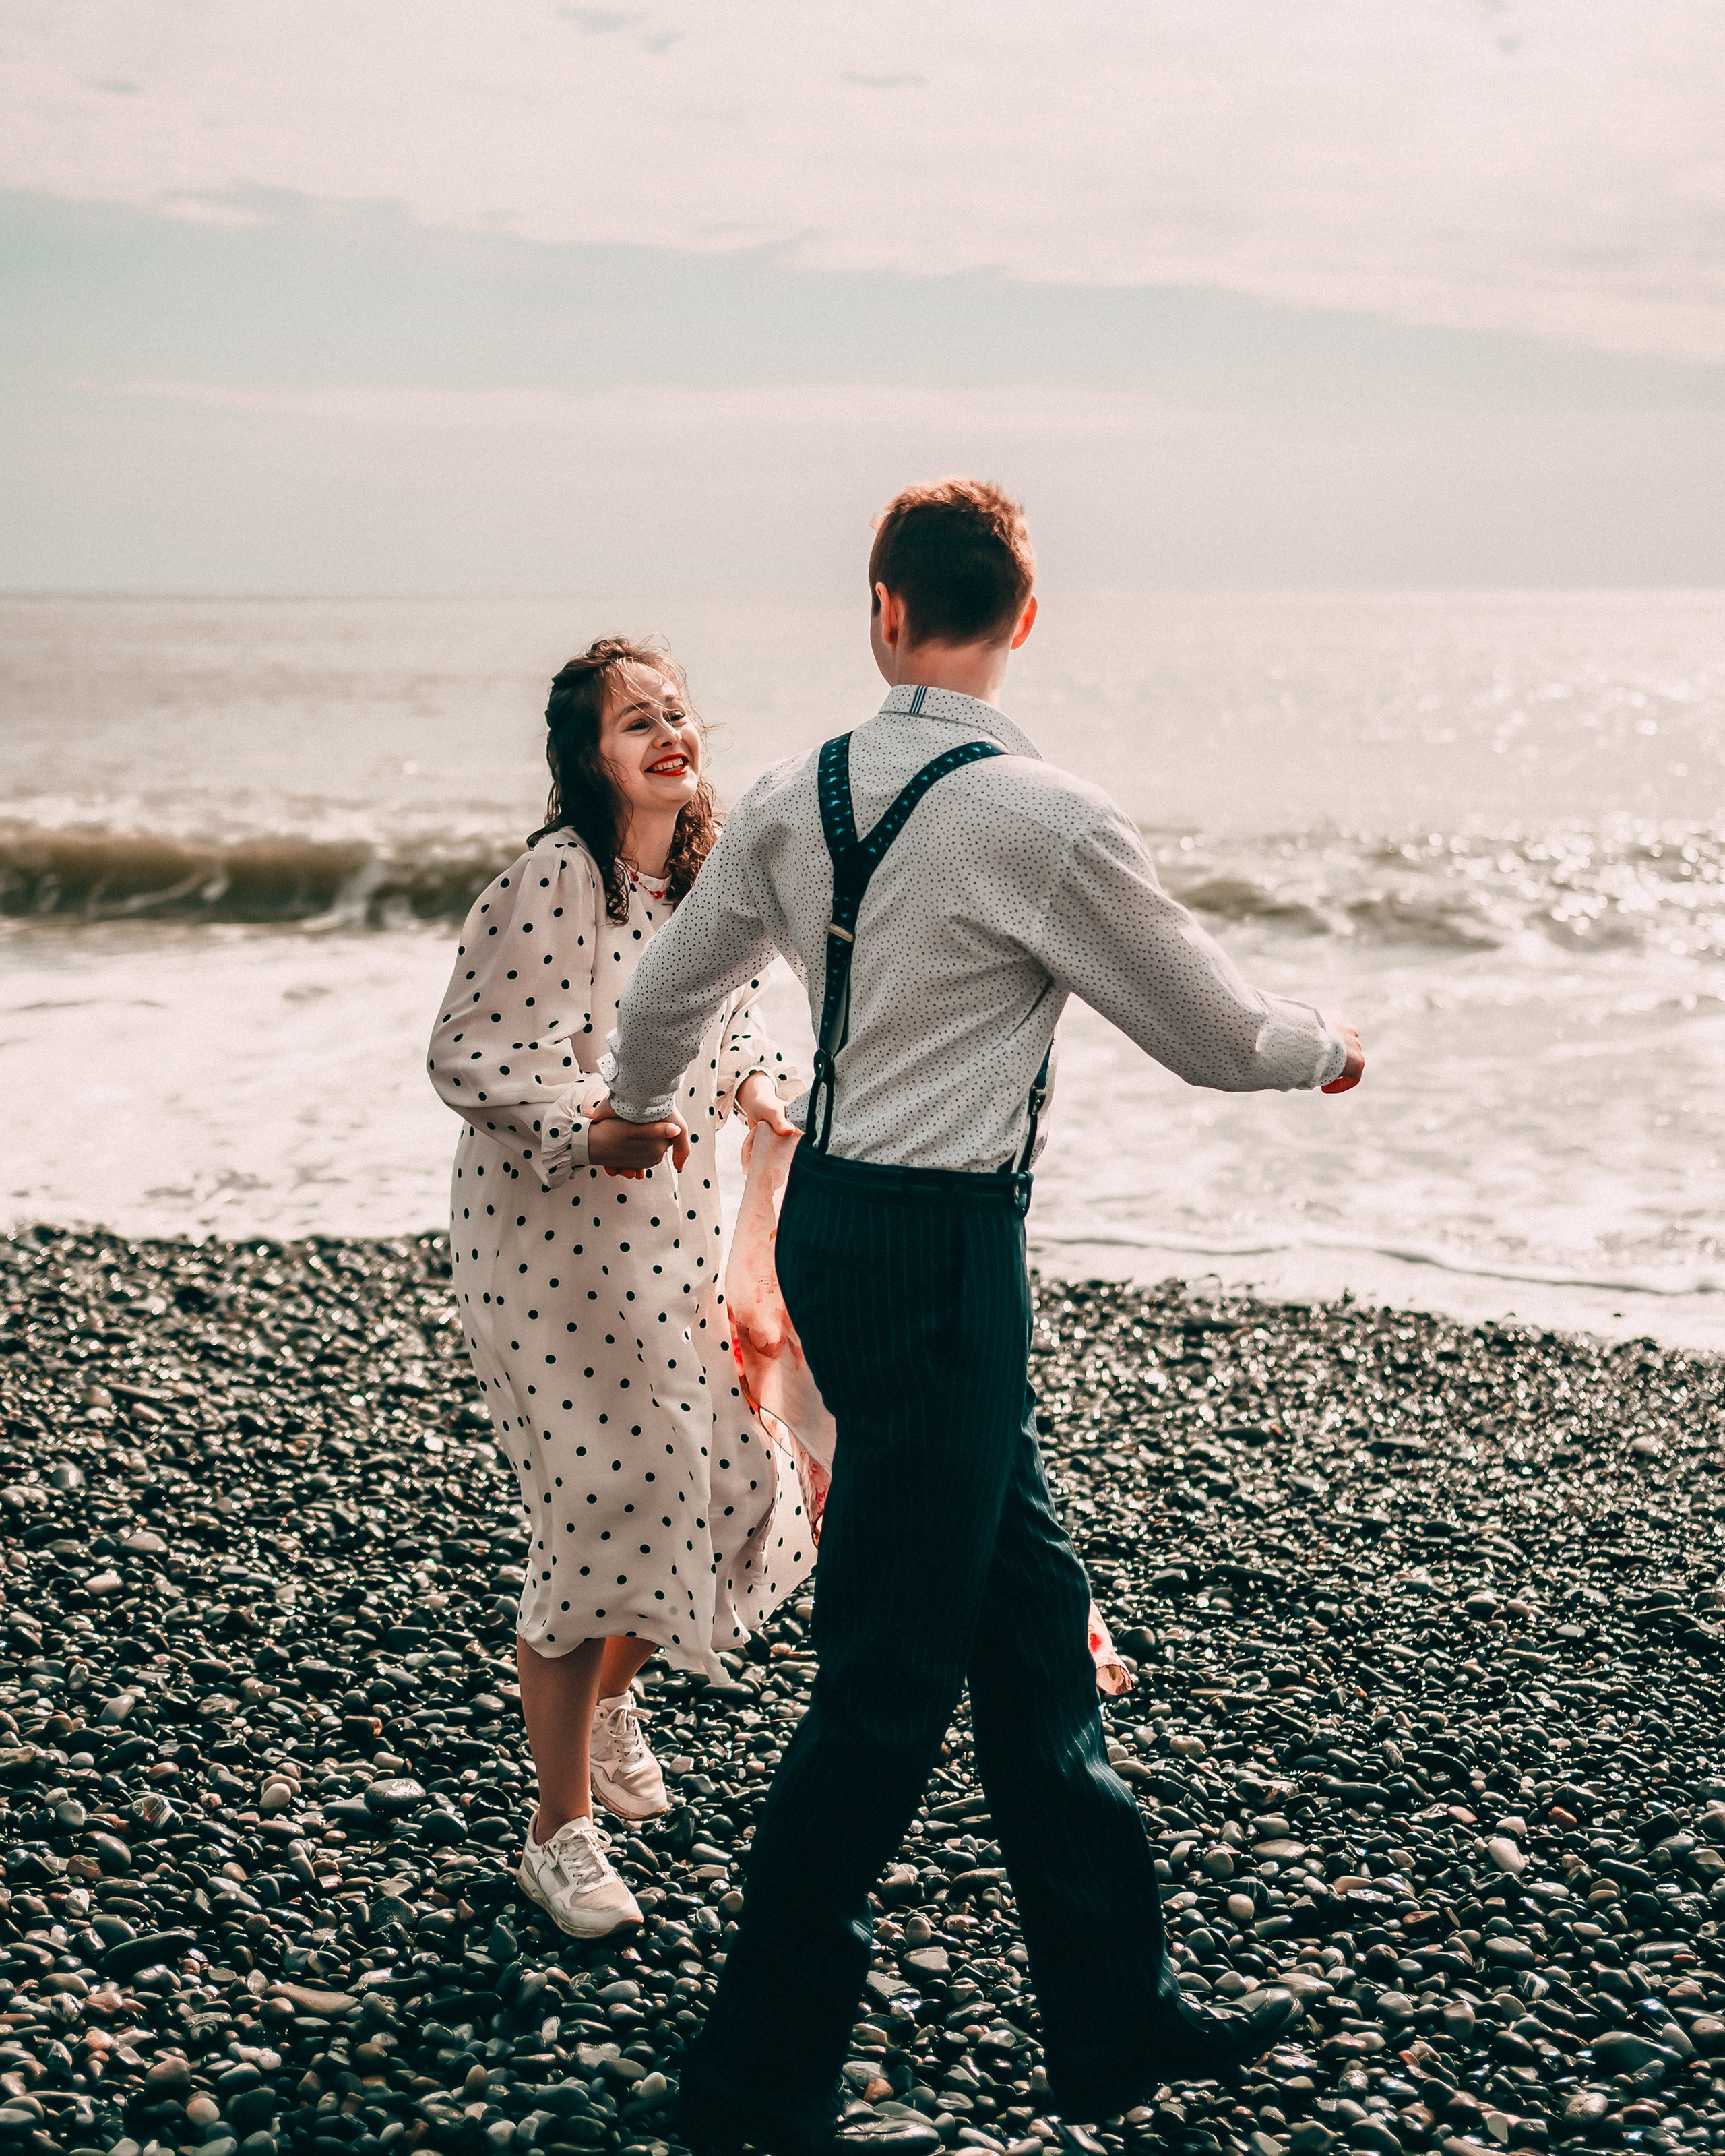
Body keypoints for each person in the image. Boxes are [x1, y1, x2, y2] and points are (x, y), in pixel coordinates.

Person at [596, 481, 1367, 2155]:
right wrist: (1326, 1042)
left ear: (880, 611)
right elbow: (1211, 1032)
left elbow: (668, 990)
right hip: (948, 1255)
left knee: (1027, 1620)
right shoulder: (1047, 816)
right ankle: (751, 2077)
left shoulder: (799, 789)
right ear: (1022, 618)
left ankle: (1108, 2009)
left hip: (835, 1233)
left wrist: (628, 1106)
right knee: (882, 1682)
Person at [426, 636, 810, 1941]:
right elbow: (467, 1051)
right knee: (600, 1514)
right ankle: (557, 1832)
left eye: (676, 713)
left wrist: (757, 1086)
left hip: (662, 1249)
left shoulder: (707, 885)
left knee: (731, 1490)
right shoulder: (551, 881)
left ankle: (601, 1698)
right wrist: (582, 1125)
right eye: (631, 721)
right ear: (587, 758)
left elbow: (735, 1014)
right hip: (539, 1256)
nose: (665, 734)